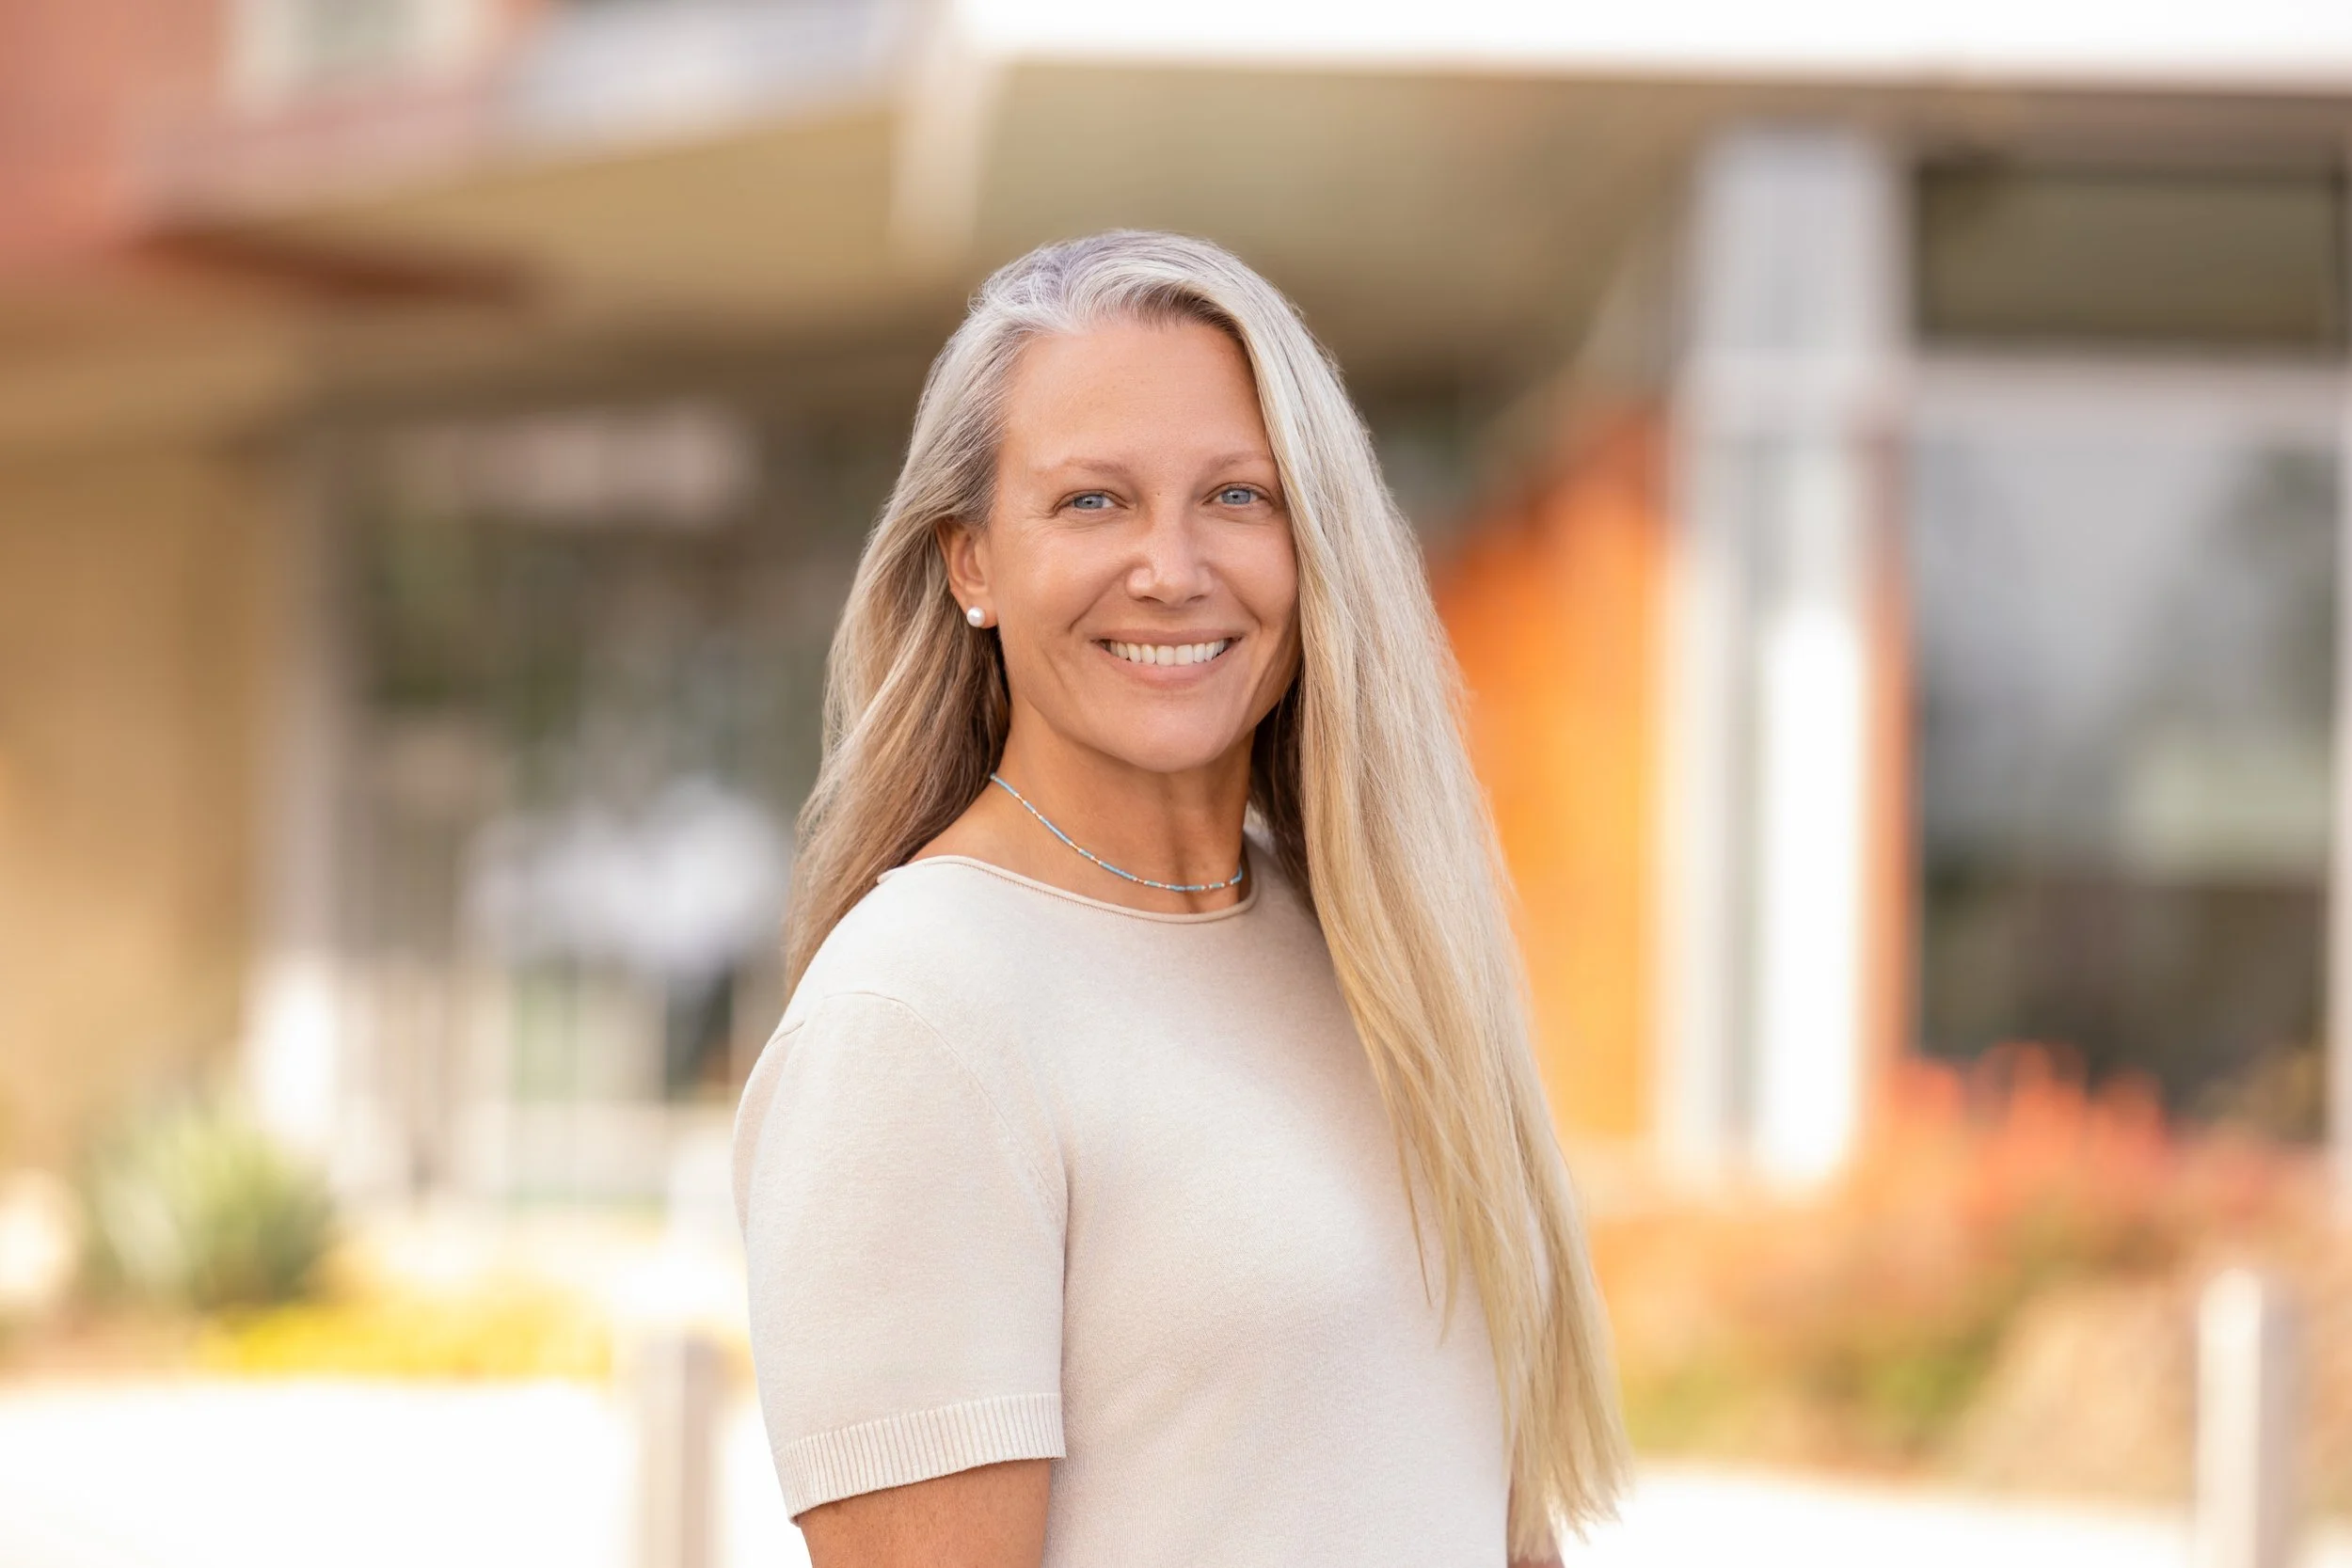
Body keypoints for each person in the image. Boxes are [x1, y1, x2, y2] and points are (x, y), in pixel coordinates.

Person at [732, 229, 1627, 1567]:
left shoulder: (1375, 949)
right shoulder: (916, 1016)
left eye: (1238, 496)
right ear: (972, 562)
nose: (1171, 566)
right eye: (1093, 501)